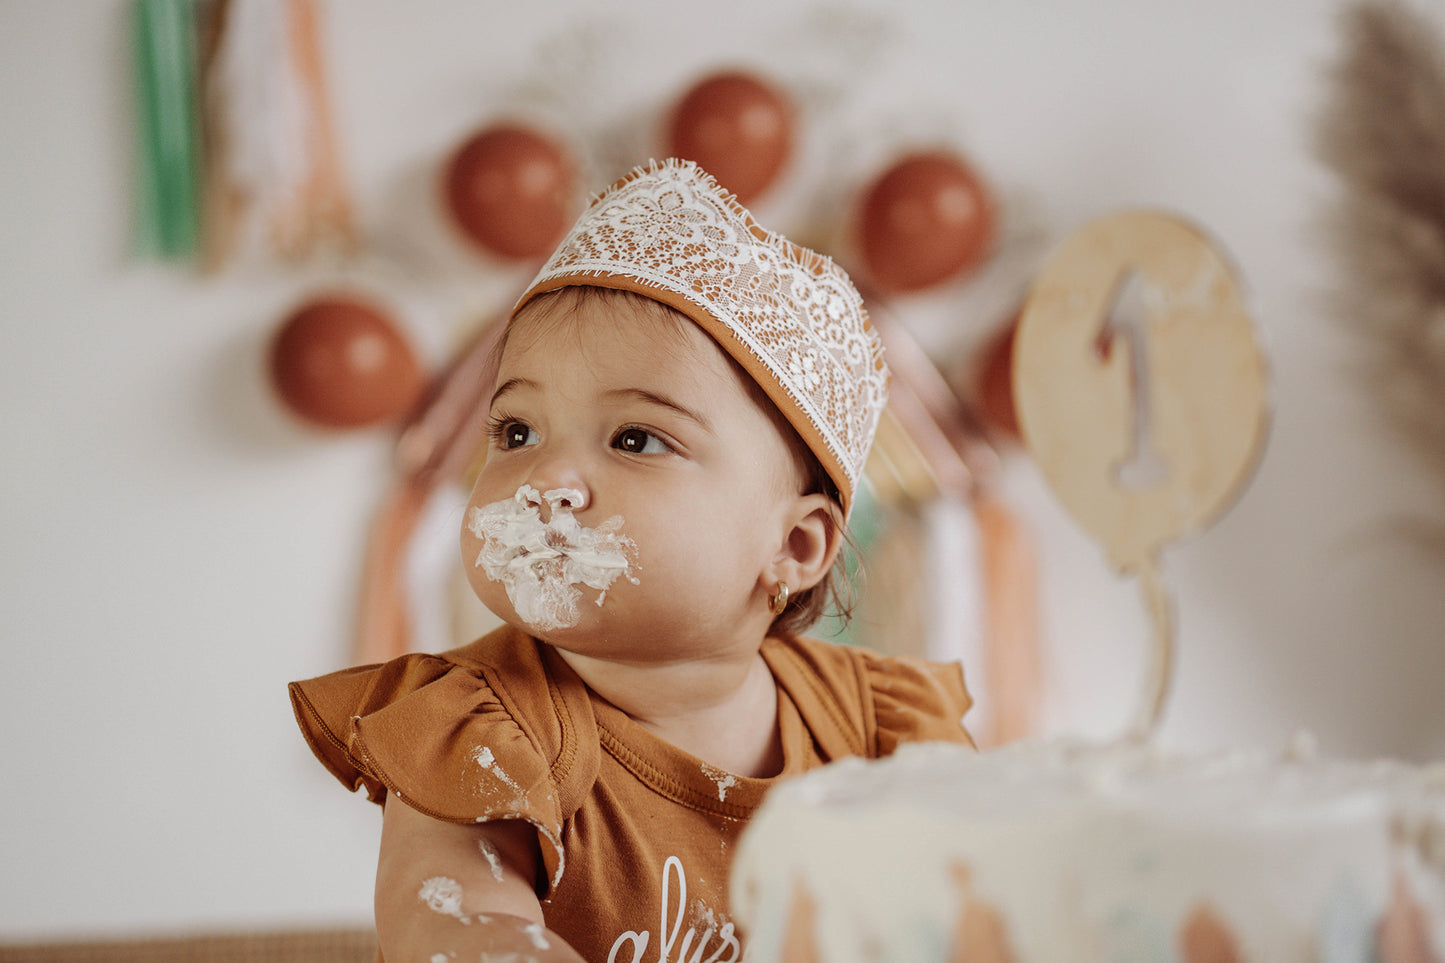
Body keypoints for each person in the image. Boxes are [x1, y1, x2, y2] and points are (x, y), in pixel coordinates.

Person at [289, 158, 974, 963]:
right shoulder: (483, 731)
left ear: (793, 547)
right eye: (516, 431)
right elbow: (455, 921)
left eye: (635, 438)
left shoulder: (875, 729)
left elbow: (981, 907)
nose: (545, 478)